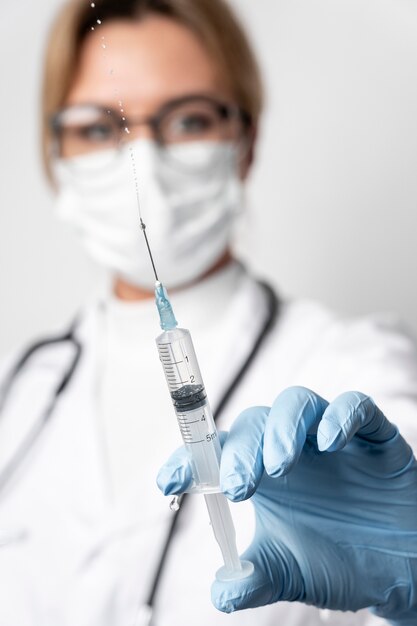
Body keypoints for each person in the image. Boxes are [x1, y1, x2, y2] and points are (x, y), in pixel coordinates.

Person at [0, 0, 416, 625]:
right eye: (99, 127)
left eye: (189, 120)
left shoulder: (354, 370)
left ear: (245, 142)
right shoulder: (18, 391)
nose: (143, 161)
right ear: (54, 158)